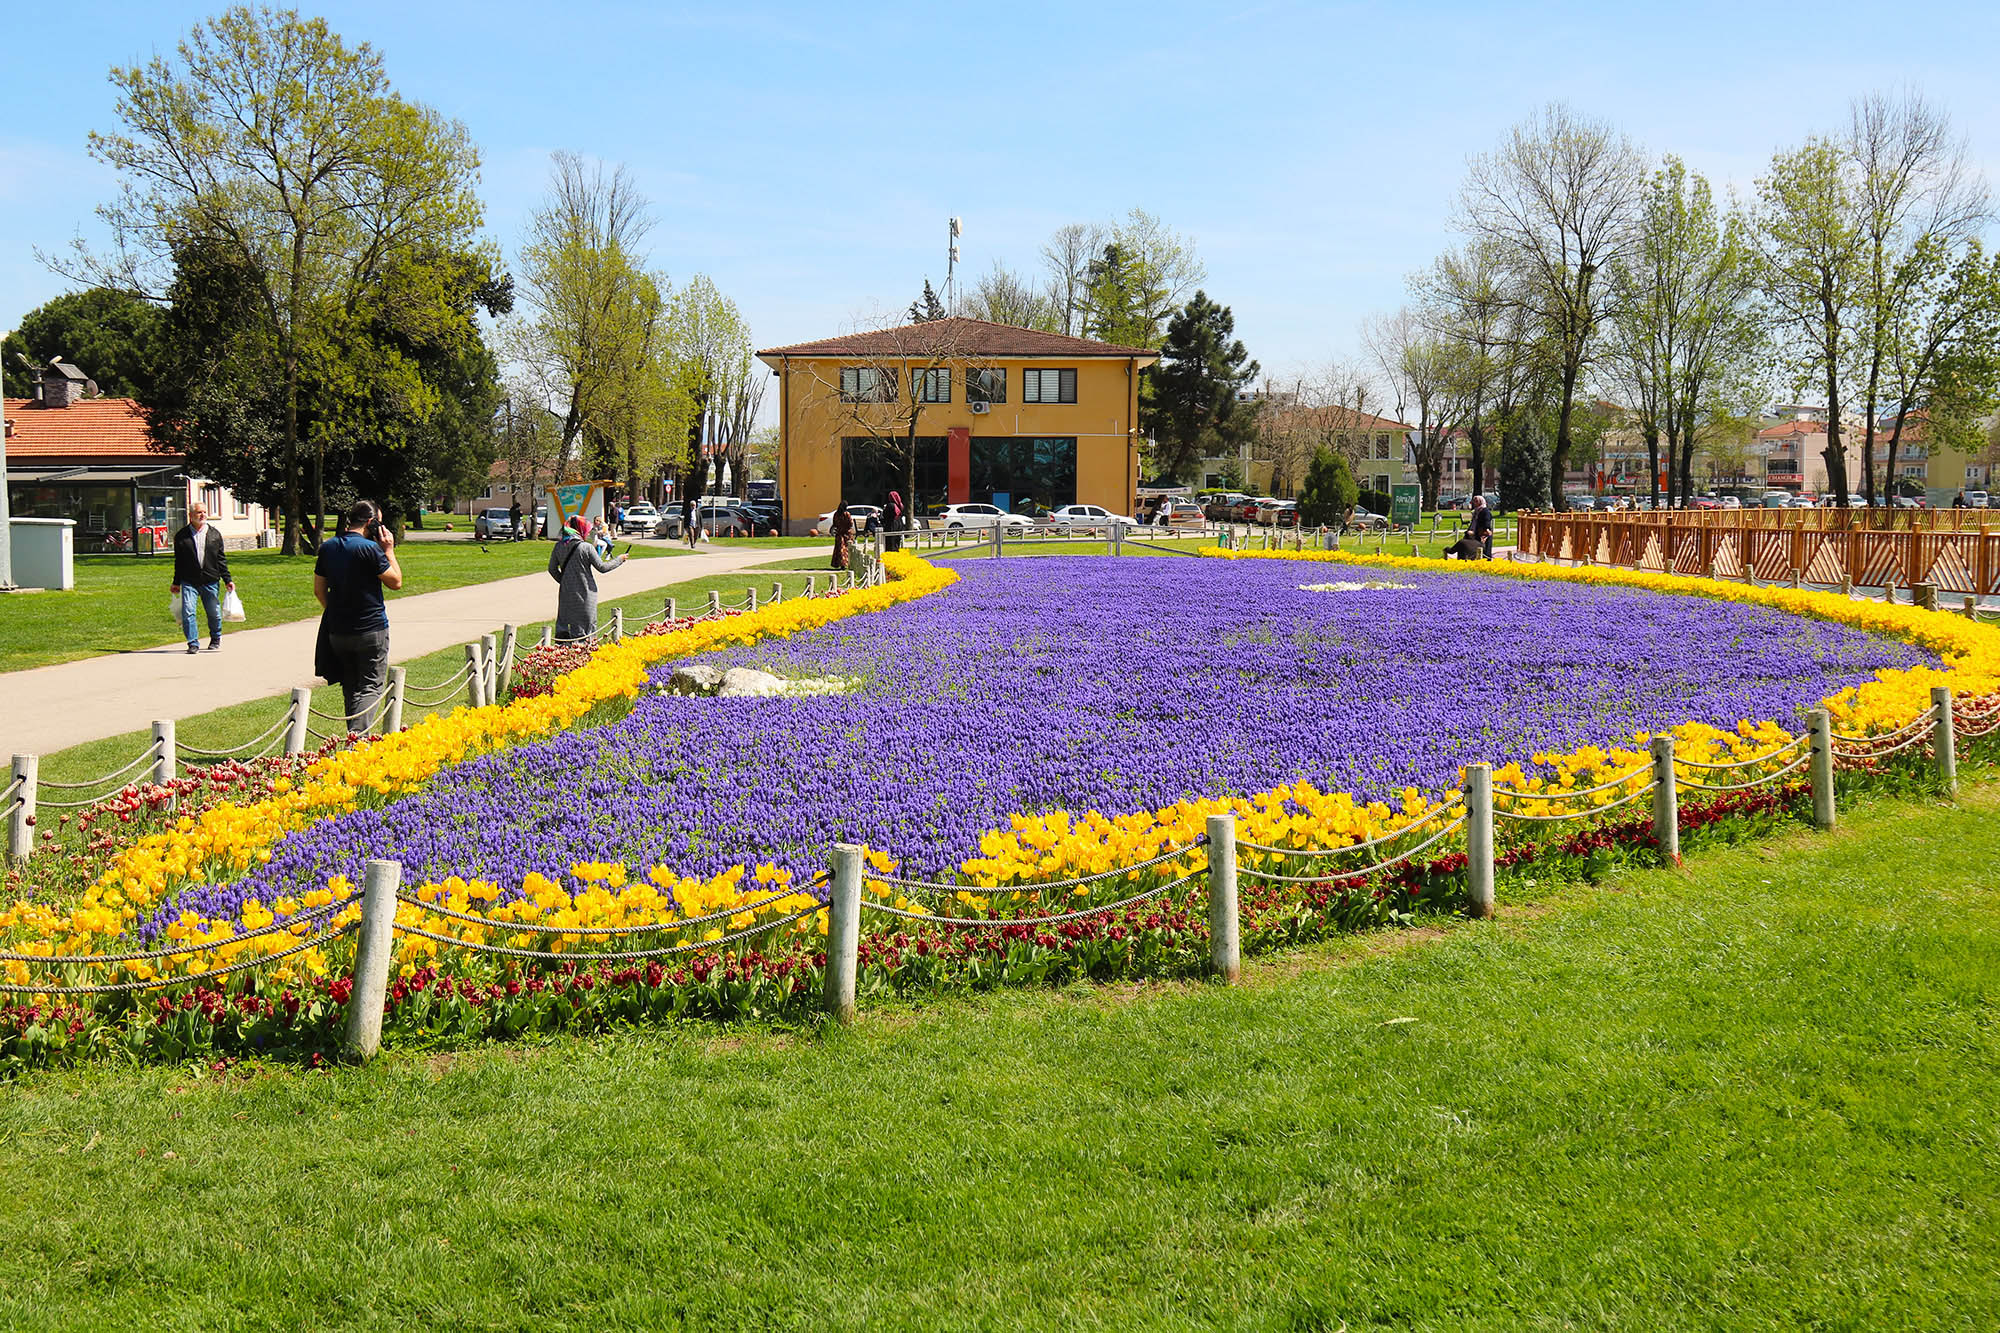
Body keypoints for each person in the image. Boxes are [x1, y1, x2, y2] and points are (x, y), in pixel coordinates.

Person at [314, 500, 403, 730]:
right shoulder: (370, 549)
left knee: (351, 686)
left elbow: (319, 589)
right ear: (372, 523)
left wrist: (335, 611)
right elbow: (396, 581)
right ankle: (356, 739)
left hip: (338, 631)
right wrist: (389, 550)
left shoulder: (328, 547)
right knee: (371, 686)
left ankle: (354, 738)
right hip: (371, 629)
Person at [170, 500, 234, 654]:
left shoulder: (214, 534)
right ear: (191, 515)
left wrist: (227, 579)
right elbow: (179, 562)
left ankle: (215, 637)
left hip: (210, 579)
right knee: (188, 611)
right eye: (199, 512)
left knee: (213, 612)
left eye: (204, 512)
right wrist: (176, 582)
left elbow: (221, 559)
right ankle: (193, 643)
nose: (203, 515)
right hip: (189, 580)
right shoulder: (182, 536)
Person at [549, 516, 627, 642]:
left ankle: (565, 654)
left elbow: (552, 569)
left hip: (566, 592)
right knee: (586, 627)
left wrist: (564, 581)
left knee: (565, 625)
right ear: (580, 529)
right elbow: (602, 567)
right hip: (586, 592)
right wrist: (620, 559)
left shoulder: (559, 546)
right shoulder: (586, 547)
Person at [830, 501, 855, 570]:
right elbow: (850, 523)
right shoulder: (847, 514)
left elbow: (834, 523)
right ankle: (845, 564)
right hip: (847, 534)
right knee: (846, 549)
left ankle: (839, 563)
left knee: (839, 549)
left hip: (839, 533)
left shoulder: (836, 514)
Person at [1468, 494, 1495, 560]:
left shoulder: (1485, 511)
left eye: (1476, 501)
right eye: (1474, 501)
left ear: (1481, 502)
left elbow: (1487, 521)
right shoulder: (1476, 511)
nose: (1474, 503)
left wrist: (1486, 530)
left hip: (1483, 533)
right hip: (1475, 532)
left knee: (1484, 551)